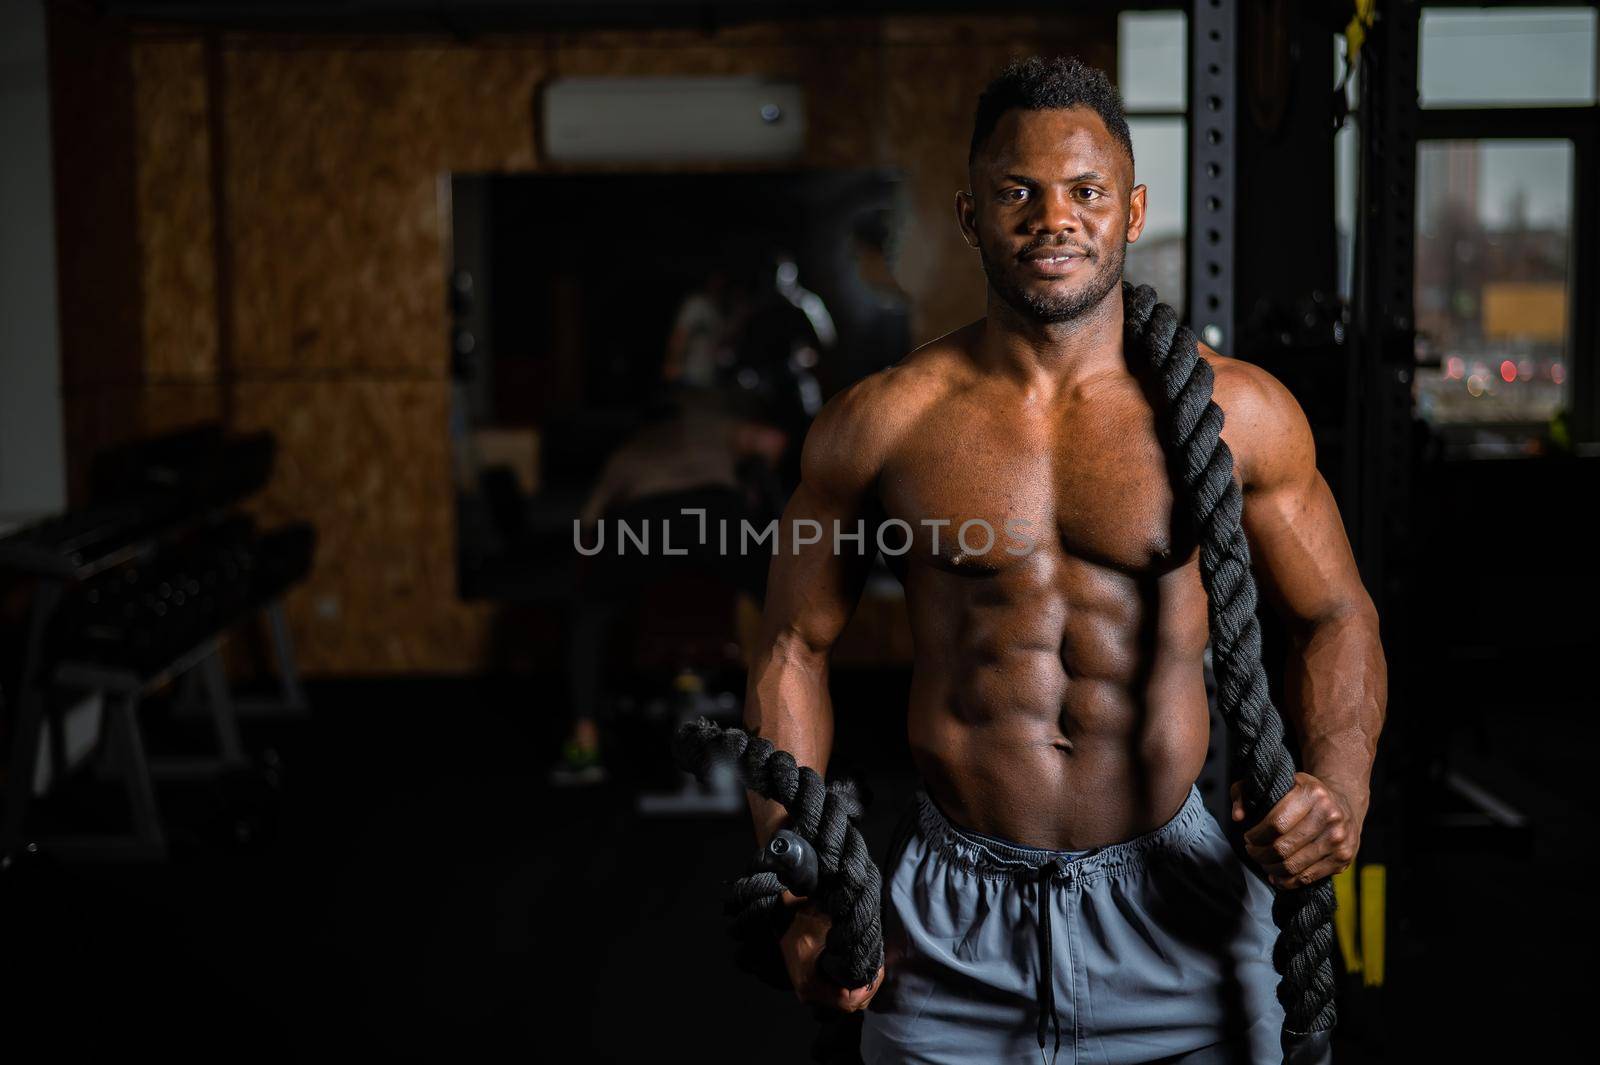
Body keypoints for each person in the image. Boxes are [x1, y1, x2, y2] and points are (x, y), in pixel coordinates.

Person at [741, 56, 1387, 1063]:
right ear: (969, 215)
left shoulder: (1240, 413)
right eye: (1017, 193)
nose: (1055, 219)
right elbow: (791, 647)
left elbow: (1336, 614)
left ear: (1130, 210)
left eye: (1085, 192)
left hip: (1180, 908)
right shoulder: (883, 424)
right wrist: (798, 880)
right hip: (947, 921)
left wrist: (1338, 782)